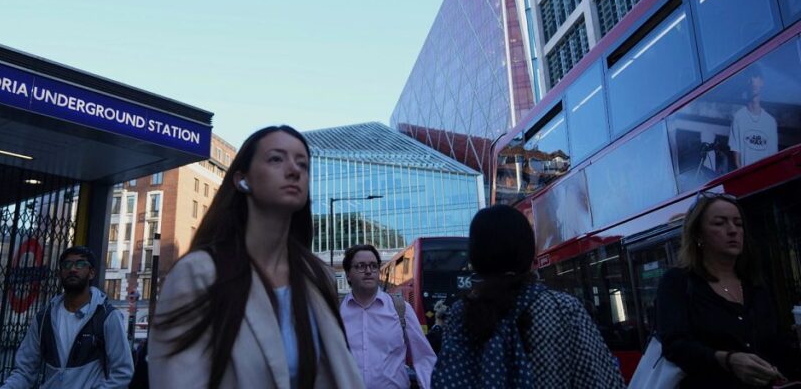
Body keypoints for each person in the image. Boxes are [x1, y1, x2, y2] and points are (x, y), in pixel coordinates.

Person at [149, 125, 363, 389]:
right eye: (276, 158)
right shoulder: (199, 273)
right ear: (242, 179)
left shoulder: (317, 276)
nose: (294, 170)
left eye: (303, 164)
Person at [431, 205, 623, 389]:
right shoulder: (562, 309)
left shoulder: (460, 314)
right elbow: (601, 381)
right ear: (528, 250)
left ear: (475, 257)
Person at [655, 192, 797, 388]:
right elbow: (675, 346)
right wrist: (726, 359)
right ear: (698, 235)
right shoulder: (677, 282)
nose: (732, 230)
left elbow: (776, 344)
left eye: (738, 224)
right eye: (719, 223)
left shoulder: (755, 283)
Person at [1, 245, 133, 388]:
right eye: (67, 265)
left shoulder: (107, 316)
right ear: (60, 273)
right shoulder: (44, 318)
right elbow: (24, 370)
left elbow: (123, 373)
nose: (73, 269)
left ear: (92, 273)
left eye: (80, 264)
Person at [340, 244, 436, 388]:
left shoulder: (401, 309)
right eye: (360, 266)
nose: (368, 271)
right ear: (348, 274)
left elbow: (424, 358)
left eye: (373, 266)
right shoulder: (335, 312)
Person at [730, 66, 778, 168]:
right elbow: (736, 160)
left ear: (761, 82)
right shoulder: (738, 118)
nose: (752, 81)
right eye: (749, 77)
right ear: (745, 83)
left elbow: (774, 158)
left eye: (755, 76)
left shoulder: (770, 122)